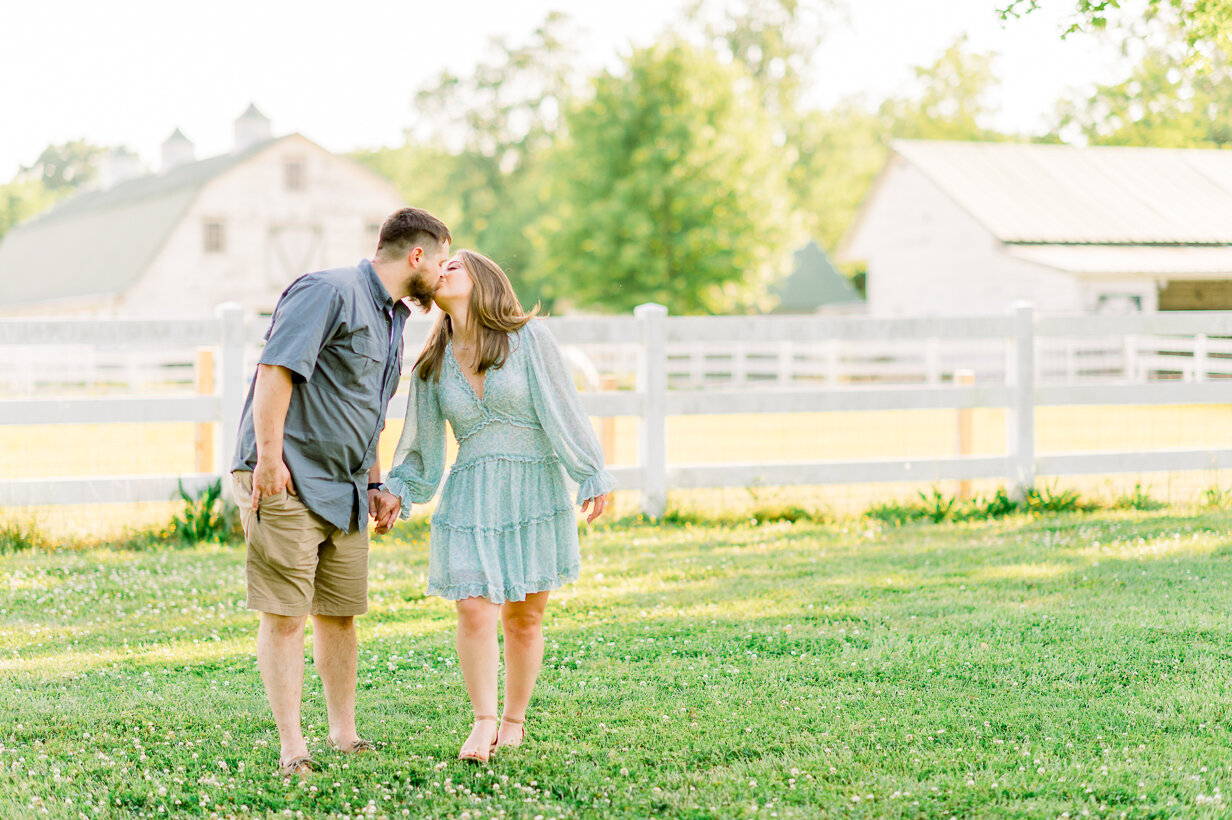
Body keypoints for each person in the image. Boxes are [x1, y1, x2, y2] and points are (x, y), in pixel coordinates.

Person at [230, 207, 451, 777]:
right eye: (442, 259)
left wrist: (376, 482)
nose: (444, 273)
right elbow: (276, 372)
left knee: (340, 614)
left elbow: (368, 410)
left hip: (348, 488)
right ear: (416, 256)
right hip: (289, 476)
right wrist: (270, 460)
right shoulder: (327, 290)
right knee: (285, 615)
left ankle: (344, 734)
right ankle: (292, 749)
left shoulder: (395, 319)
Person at [383, 249, 613, 762]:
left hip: (534, 489)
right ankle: (483, 721)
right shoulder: (433, 362)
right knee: (473, 608)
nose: (441, 272)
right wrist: (398, 489)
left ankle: (513, 720)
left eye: (453, 266)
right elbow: (419, 444)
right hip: (470, 494)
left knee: (524, 618)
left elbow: (563, 408)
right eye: (437, 270)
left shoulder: (528, 339)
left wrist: (589, 470)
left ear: (484, 279)